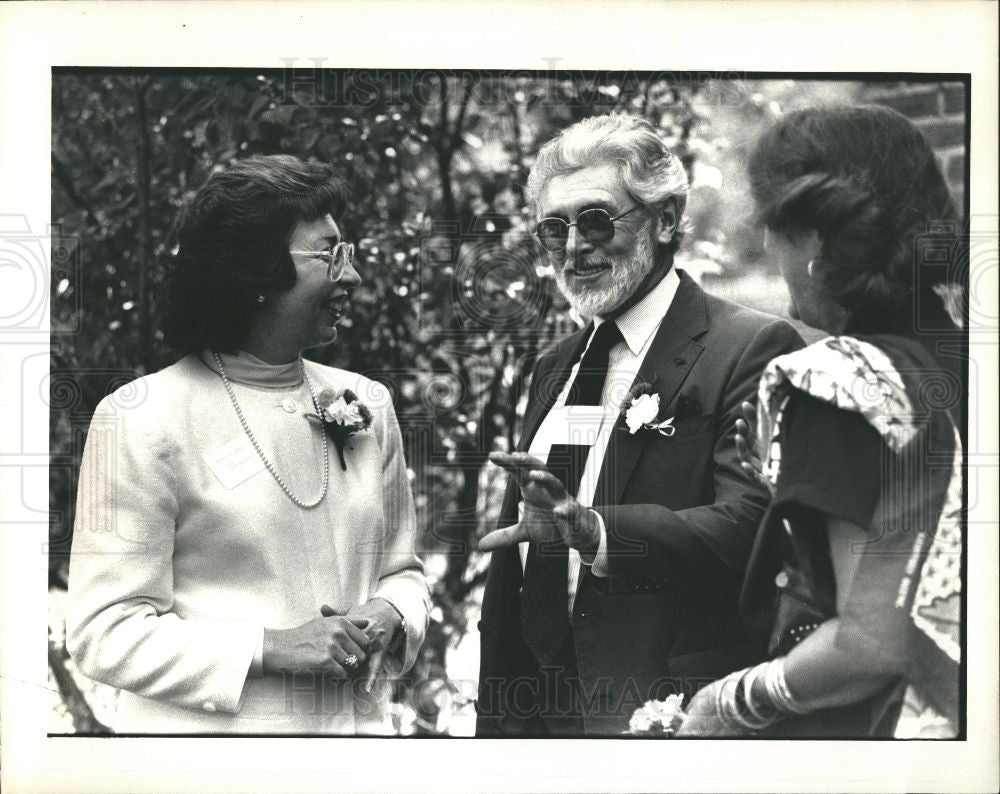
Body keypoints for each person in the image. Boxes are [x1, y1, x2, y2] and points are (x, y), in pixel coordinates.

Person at [66, 155, 430, 734]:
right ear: (256, 273)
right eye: (329, 255)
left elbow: (403, 573)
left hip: (354, 754)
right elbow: (104, 632)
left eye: (349, 253)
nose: (352, 278)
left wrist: (391, 612)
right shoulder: (142, 416)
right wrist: (271, 648)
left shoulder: (368, 404)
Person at [475, 113, 804, 736]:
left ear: (664, 218)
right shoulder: (554, 367)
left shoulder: (748, 346)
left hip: (660, 709)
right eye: (554, 229)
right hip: (532, 715)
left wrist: (597, 531)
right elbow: (526, 542)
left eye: (596, 220)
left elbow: (751, 528)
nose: (574, 247)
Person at [677, 105, 964, 738]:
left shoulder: (836, 384)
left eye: (771, 228)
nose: (769, 252)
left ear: (812, 239)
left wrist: (727, 703)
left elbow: (870, 644)